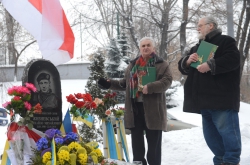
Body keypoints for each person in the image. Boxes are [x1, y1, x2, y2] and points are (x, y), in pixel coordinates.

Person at [98, 37, 172, 165]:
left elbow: (167, 82)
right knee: (137, 147)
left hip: (154, 111)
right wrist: (108, 84)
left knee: (153, 147)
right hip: (135, 110)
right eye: (143, 46)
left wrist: (151, 87)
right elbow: (124, 84)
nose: (145, 48)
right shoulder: (133, 65)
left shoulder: (162, 64)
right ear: (140, 48)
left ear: (153, 48)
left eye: (148, 45)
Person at [178, 16, 241, 165]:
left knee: (228, 133)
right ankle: (220, 161)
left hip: (221, 99)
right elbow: (183, 68)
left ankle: (231, 161)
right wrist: (187, 61)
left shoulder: (226, 41)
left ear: (210, 26)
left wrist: (211, 65)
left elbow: (233, 60)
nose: (197, 28)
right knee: (211, 137)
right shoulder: (197, 48)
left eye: (200, 25)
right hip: (204, 102)